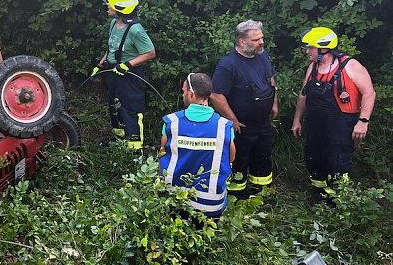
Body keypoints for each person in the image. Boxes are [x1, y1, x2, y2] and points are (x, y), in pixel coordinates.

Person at [291, 27, 375, 198]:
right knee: (313, 156)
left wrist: (363, 121)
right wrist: (297, 120)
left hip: (341, 122)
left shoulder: (350, 66)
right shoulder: (313, 67)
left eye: (311, 47)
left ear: (324, 49)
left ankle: (339, 199)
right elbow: (304, 94)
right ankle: (319, 193)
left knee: (337, 160)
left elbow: (369, 93)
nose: (308, 51)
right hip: (315, 122)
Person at [210, 20, 278, 196]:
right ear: (242, 42)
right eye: (256, 40)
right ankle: (237, 198)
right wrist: (232, 120)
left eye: (262, 38)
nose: (261, 42)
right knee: (239, 161)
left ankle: (262, 193)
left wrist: (274, 102)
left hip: (263, 122)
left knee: (263, 158)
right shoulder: (228, 65)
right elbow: (216, 95)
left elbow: (270, 79)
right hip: (241, 126)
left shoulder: (262, 55)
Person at [160, 73, 236, 218]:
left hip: (173, 202)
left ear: (191, 94)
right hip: (211, 207)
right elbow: (231, 158)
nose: (183, 95)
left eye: (183, 91)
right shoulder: (224, 126)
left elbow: (162, 154)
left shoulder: (172, 122)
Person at [96, 0, 156, 150]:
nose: (108, 6)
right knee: (114, 105)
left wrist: (128, 64)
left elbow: (150, 53)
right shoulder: (113, 23)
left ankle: (135, 147)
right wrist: (102, 62)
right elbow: (112, 46)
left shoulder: (136, 30)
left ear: (121, 8)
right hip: (114, 72)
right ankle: (120, 141)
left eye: (111, 4)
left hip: (129, 74)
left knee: (131, 108)